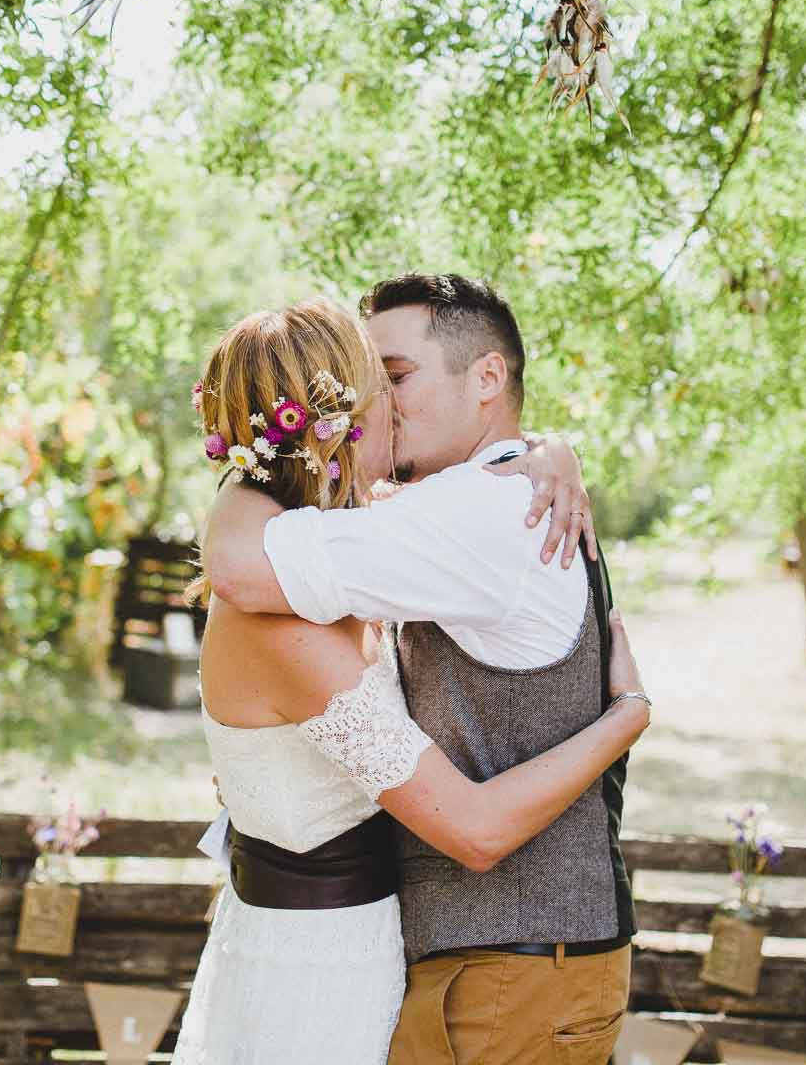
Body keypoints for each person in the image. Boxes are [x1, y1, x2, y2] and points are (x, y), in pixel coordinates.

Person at [170, 296, 647, 1065]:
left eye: (399, 378)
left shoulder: (398, 533)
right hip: (323, 973)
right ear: (339, 418)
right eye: (378, 383)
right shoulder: (283, 616)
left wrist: (547, 448)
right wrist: (626, 715)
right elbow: (474, 828)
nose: (392, 406)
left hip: (437, 961)